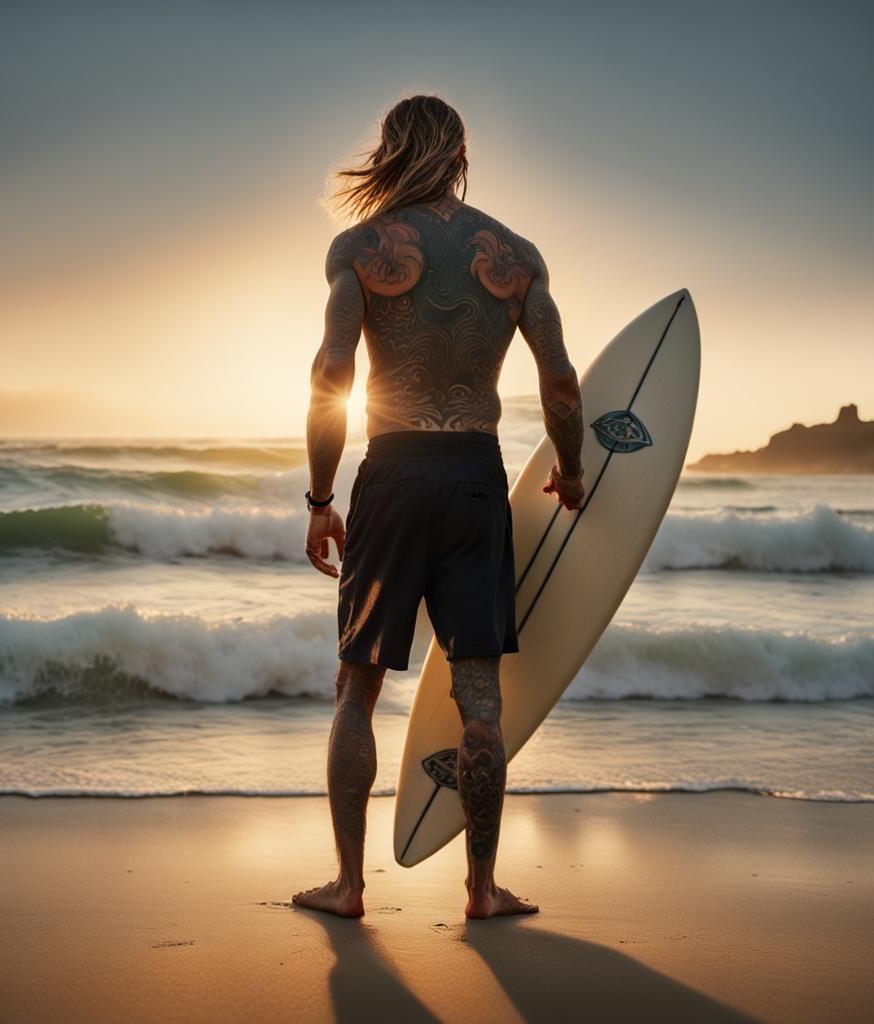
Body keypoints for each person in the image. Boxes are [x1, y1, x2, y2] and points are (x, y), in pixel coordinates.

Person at [294, 94, 585, 920]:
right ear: (462, 154)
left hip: (390, 474)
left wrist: (321, 499)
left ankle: (350, 888)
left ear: (391, 150)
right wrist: (572, 469)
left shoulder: (361, 248)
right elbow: (560, 381)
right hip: (473, 477)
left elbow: (331, 376)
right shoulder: (518, 256)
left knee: (357, 690)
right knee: (479, 699)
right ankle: (483, 890)